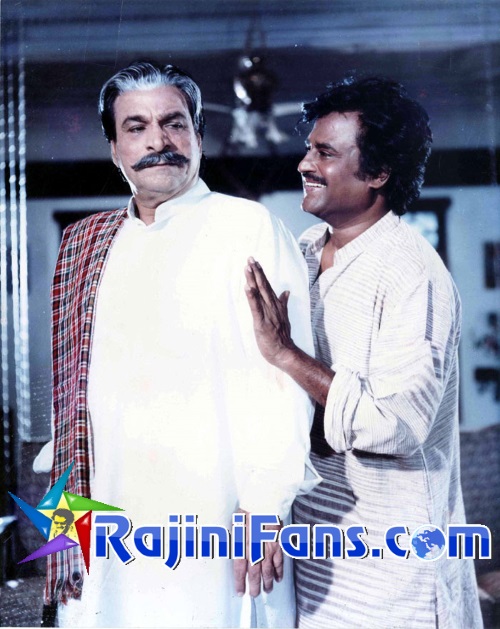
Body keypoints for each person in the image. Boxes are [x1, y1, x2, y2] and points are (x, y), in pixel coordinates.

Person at [39, 60, 319, 628]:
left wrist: (266, 507)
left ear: (198, 136)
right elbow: (70, 400)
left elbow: (282, 385)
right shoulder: (88, 245)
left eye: (174, 123)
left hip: (218, 515)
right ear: (114, 149)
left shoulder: (247, 228)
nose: (158, 141)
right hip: (106, 512)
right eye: (136, 127)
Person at [244, 76, 483, 628]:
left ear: (378, 174)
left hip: (398, 582)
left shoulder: (413, 273)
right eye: (309, 148)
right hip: (319, 564)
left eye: (325, 153)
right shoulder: (304, 252)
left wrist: (286, 353)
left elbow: (395, 426)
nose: (304, 163)